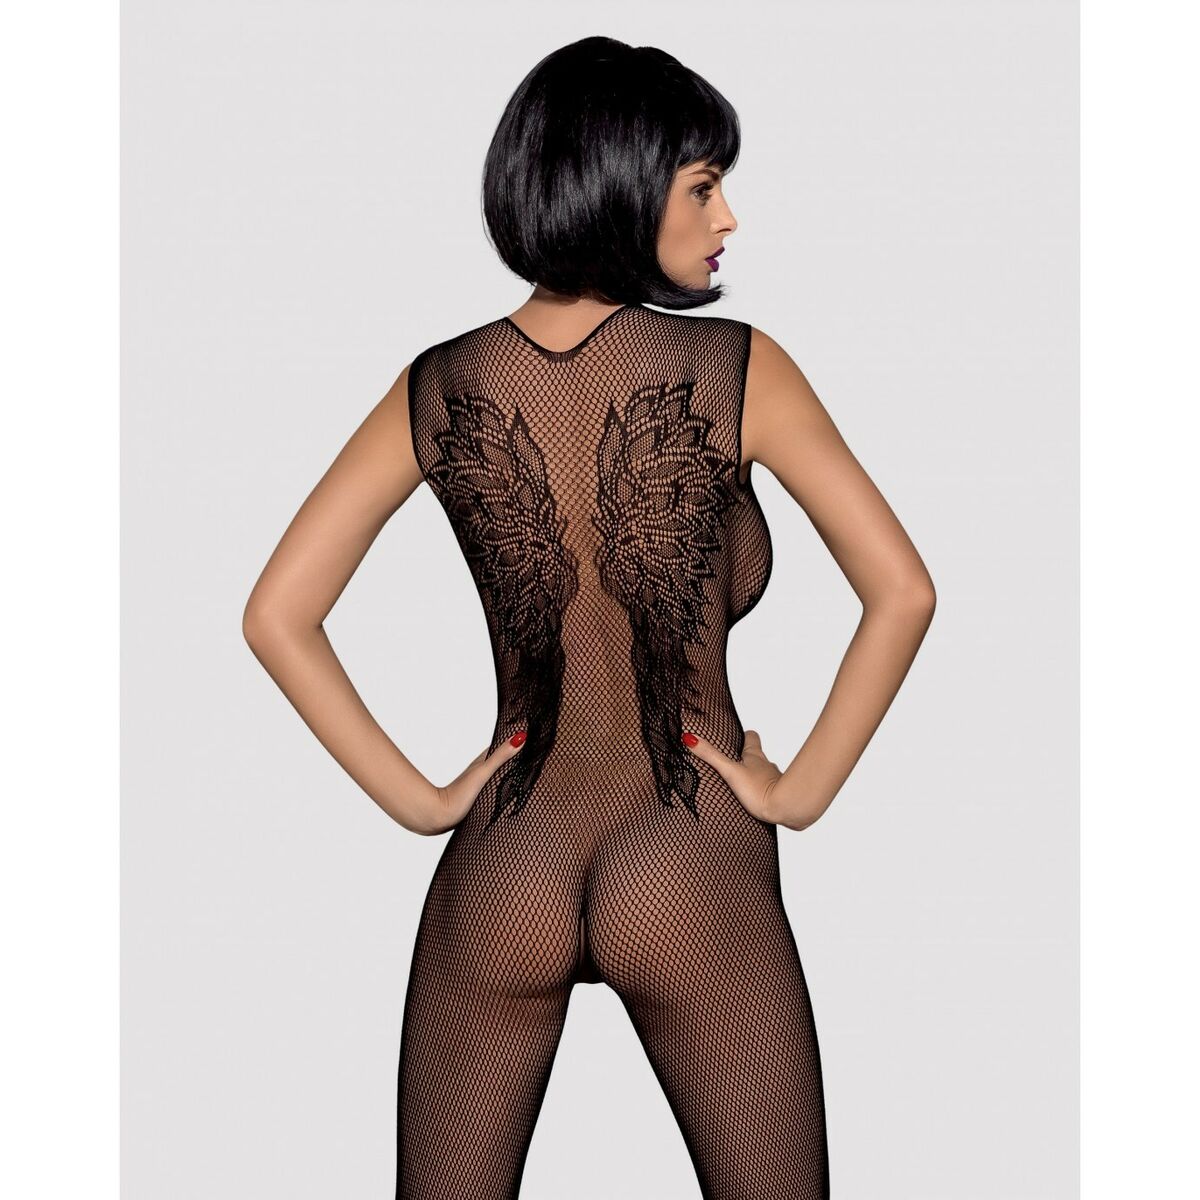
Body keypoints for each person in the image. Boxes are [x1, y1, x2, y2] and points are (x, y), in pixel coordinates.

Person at [243, 35, 935, 1200]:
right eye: (703, 187)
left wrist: (425, 803)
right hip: (691, 853)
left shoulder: (442, 382)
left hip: (505, 860)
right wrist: (799, 790)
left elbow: (277, 614)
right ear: (622, 184)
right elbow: (902, 590)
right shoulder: (737, 369)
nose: (728, 218)